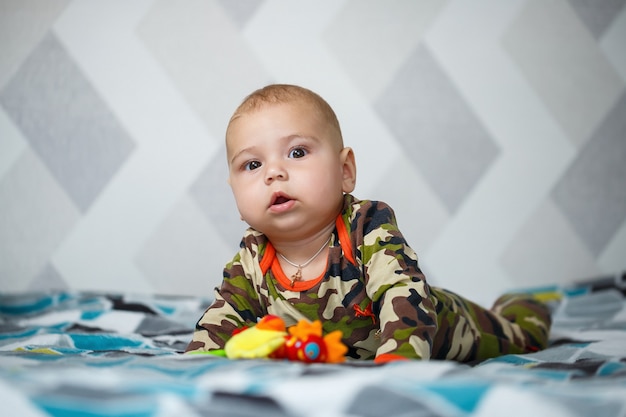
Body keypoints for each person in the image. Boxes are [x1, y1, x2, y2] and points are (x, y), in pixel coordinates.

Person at [186, 84, 551, 363]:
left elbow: (400, 293)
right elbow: (225, 315)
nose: (274, 173)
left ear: (345, 172)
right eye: (252, 165)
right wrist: (196, 361)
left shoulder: (365, 227)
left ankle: (523, 304)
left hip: (444, 327)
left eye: (297, 152)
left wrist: (398, 362)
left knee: (524, 335)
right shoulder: (252, 256)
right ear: (235, 195)